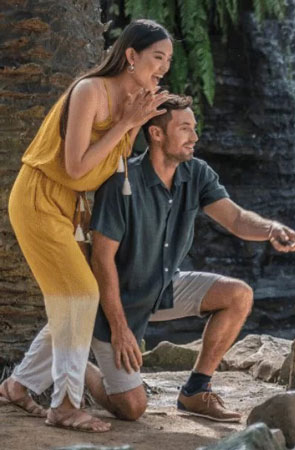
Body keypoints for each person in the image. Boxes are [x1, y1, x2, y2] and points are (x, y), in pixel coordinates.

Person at [84, 93, 295, 423]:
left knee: (238, 295)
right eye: (185, 128)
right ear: (157, 134)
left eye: (195, 127)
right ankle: (77, 370)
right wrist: (119, 328)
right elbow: (101, 260)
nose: (195, 136)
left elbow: (237, 219)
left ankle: (195, 391)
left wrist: (271, 228)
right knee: (132, 408)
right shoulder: (122, 182)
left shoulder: (197, 173)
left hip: (162, 288)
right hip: (118, 302)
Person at [0, 19, 173, 432]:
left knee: (75, 297)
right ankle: (63, 404)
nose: (163, 67)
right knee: (80, 292)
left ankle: (20, 385)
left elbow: (119, 171)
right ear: (131, 55)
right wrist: (124, 124)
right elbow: (77, 164)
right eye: (157, 57)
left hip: (70, 210)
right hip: (38, 201)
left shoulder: (136, 99)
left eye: (168, 59)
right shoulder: (90, 91)